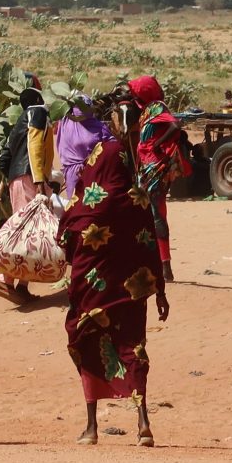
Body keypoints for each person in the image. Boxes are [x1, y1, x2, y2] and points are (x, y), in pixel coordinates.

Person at [57, 132, 169, 446]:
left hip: (90, 293)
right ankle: (143, 421)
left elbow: (65, 241)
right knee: (132, 346)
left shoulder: (85, 202)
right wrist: (160, 291)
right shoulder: (138, 199)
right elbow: (151, 246)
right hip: (131, 290)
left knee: (89, 343)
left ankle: (92, 427)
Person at [0, 88, 54, 305]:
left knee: (27, 230)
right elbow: (35, 145)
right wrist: (39, 180)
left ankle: (22, 285)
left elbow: (4, 158)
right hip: (30, 177)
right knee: (29, 232)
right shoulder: (38, 112)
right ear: (38, 100)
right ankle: (5, 279)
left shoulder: (19, 121)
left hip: (17, 179)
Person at [131, 76, 184, 282]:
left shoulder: (157, 107)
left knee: (156, 214)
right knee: (148, 214)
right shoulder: (147, 109)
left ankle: (165, 266)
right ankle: (154, 263)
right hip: (146, 167)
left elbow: (175, 126)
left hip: (154, 168)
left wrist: (156, 145)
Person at [56, 96, 116, 202]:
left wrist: (96, 157)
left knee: (95, 206)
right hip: (73, 175)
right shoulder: (65, 122)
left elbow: (113, 147)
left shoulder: (99, 127)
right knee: (76, 207)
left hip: (94, 172)